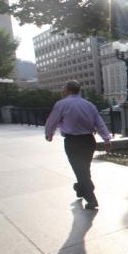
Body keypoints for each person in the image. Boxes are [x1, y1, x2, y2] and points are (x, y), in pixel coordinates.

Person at [45, 80, 112, 209]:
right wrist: (106, 139)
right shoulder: (89, 105)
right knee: (84, 169)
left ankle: (91, 199)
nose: (62, 90)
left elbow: (52, 120)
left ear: (69, 90)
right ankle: (80, 188)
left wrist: (49, 134)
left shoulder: (62, 104)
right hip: (89, 141)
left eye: (63, 88)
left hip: (73, 142)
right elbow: (99, 122)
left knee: (80, 171)